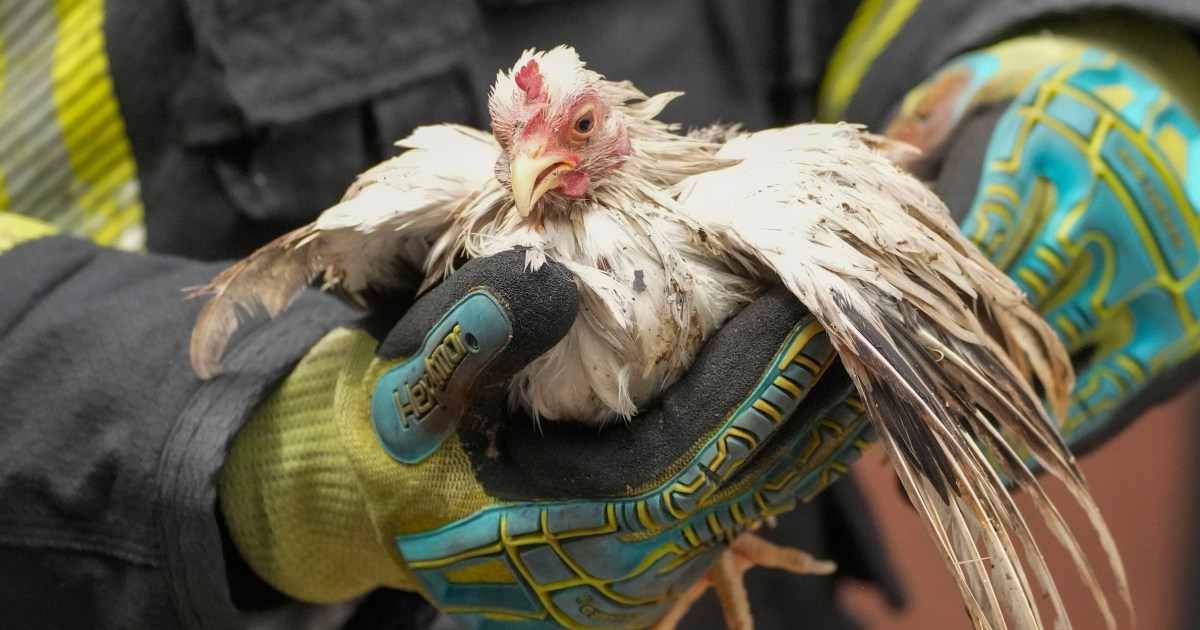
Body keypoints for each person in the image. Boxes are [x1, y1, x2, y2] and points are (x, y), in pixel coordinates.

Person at [1, 1, 1199, 629]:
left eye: (571, 136)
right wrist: (252, 450)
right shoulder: (448, 206)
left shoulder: (753, 198)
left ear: (611, 129)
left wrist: (1106, 43)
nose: (535, 169)